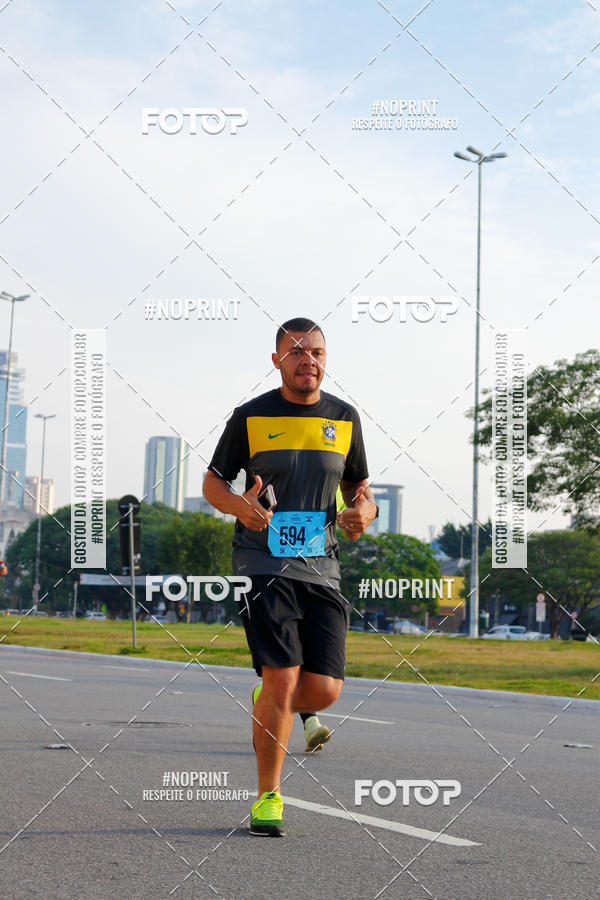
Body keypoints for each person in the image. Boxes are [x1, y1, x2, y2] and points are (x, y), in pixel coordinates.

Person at [203, 317, 377, 837]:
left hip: (322, 567)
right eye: (297, 351)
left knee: (322, 692)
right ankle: (268, 799)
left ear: (327, 359)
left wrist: (363, 514)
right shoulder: (251, 416)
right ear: (277, 358)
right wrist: (241, 507)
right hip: (263, 561)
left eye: (317, 352)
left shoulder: (344, 418)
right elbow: (213, 484)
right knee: (282, 675)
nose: (309, 360)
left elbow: (361, 491)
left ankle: (270, 703)